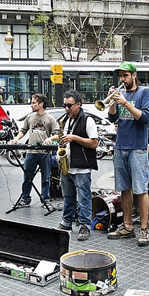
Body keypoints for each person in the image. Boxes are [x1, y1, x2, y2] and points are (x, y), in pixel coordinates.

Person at [107, 61, 149, 246]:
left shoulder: (145, 92)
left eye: (126, 75)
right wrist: (112, 100)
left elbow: (144, 118)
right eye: (121, 75)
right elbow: (112, 117)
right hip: (120, 146)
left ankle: (144, 229)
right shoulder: (121, 94)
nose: (123, 79)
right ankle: (127, 226)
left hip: (137, 148)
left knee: (141, 189)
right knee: (124, 189)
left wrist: (125, 102)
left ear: (134, 75)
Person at [56, 90, 98, 241]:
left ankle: (85, 225)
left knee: (84, 198)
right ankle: (66, 222)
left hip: (82, 166)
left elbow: (94, 143)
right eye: (65, 105)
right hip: (67, 164)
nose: (67, 109)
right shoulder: (65, 120)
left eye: (70, 105)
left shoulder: (88, 120)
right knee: (68, 196)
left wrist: (74, 138)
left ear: (79, 104)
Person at [11, 93, 59, 209]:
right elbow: (23, 130)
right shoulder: (30, 117)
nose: (31, 105)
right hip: (31, 152)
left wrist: (50, 139)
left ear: (41, 104)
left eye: (34, 103)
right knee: (27, 176)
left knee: (46, 178)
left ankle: (45, 199)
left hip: (44, 153)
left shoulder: (50, 118)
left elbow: (57, 134)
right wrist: (16, 139)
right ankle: (25, 198)